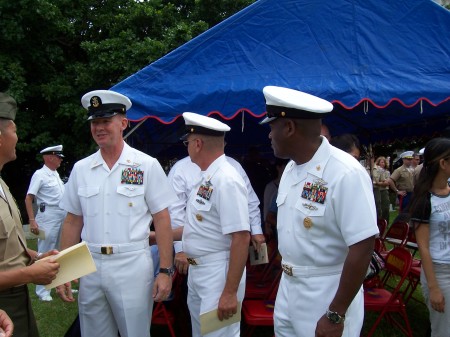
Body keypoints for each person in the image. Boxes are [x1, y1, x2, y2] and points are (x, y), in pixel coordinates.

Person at [56, 90, 177, 337]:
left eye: (105, 121)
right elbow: (72, 221)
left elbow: (162, 219)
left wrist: (165, 271)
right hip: (89, 265)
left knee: (135, 333)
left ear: (123, 123)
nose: (98, 127)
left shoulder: (145, 165)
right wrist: (64, 270)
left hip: (132, 264)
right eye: (94, 122)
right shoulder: (82, 169)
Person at [259, 86, 378, 337]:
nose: (269, 135)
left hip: (327, 293)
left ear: (289, 127)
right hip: (289, 288)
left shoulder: (345, 172)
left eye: (272, 127)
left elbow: (363, 246)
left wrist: (336, 312)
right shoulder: (291, 169)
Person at [180, 112, 250, 337]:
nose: (187, 146)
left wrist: (229, 292)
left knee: (219, 334)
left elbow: (241, 236)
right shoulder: (208, 177)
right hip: (200, 272)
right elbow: (201, 228)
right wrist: (154, 236)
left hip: (218, 274)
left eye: (187, 142)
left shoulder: (226, 179)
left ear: (198, 144)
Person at [0, 92, 60, 337]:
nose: (18, 137)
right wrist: (29, 274)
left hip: (16, 297)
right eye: (14, 130)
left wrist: (37, 257)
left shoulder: (2, 184)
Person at [167, 154, 264, 274]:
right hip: (193, 253)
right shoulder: (181, 168)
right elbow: (174, 211)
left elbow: (250, 201)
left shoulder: (233, 166)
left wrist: (256, 230)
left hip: (229, 252)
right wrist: (180, 248)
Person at [409, 137, 450, 337]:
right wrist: (434, 287)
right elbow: (423, 247)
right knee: (443, 330)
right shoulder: (425, 200)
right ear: (443, 164)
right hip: (440, 273)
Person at [25, 144, 66, 302]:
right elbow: (29, 198)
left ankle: (59, 284)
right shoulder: (40, 174)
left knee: (58, 251)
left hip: (60, 213)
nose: (61, 160)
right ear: (49, 157)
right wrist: (32, 220)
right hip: (47, 215)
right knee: (45, 251)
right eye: (58, 157)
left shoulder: (55, 174)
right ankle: (41, 290)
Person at [373, 156, 391, 223]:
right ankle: (379, 222)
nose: (383, 164)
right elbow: (376, 182)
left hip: (384, 190)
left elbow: (387, 182)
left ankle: (385, 222)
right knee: (378, 208)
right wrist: (381, 183)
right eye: (381, 162)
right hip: (377, 190)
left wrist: (380, 183)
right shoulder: (376, 170)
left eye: (384, 162)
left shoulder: (387, 172)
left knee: (386, 207)